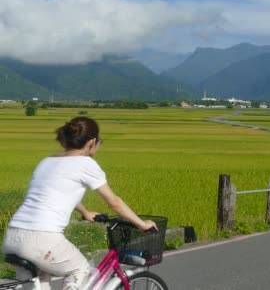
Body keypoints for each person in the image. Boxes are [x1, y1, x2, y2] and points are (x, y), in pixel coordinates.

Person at [2, 116, 157, 290]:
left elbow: (55, 192)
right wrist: (142, 224)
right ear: (92, 142)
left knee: (41, 280)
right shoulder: (86, 164)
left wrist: (85, 211)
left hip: (13, 237)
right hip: (42, 239)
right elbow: (114, 202)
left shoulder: (46, 162)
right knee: (81, 269)